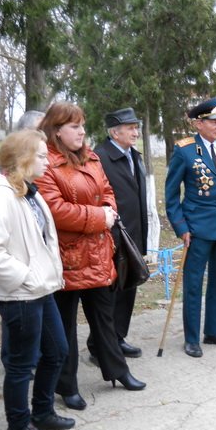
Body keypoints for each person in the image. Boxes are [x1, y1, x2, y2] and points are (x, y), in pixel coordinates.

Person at [34, 102, 146, 411]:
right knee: (65, 326)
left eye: (82, 125)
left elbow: (107, 190)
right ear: (56, 130)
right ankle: (67, 386)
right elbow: (55, 210)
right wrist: (100, 217)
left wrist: (108, 209)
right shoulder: (45, 164)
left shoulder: (91, 158)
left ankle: (117, 371)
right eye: (74, 126)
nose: (82, 131)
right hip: (66, 258)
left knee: (104, 319)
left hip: (97, 253)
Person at [0, 129, 73, 430]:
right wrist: (25, 277)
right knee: (21, 365)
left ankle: (42, 412)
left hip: (40, 290)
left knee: (57, 351)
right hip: (20, 295)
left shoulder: (29, 191)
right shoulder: (2, 196)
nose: (48, 161)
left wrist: (42, 277)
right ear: (23, 158)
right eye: (42, 155)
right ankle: (18, 427)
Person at [165, 97, 216, 358]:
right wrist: (181, 227)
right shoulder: (185, 150)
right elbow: (171, 195)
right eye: (214, 122)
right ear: (199, 124)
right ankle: (191, 339)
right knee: (193, 283)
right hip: (197, 229)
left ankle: (214, 331)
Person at [88, 107, 148, 361]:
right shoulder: (99, 158)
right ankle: (99, 346)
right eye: (131, 128)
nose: (136, 132)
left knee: (127, 289)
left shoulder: (134, 155)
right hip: (111, 239)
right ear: (115, 132)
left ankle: (118, 338)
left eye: (136, 127)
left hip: (133, 236)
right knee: (109, 296)